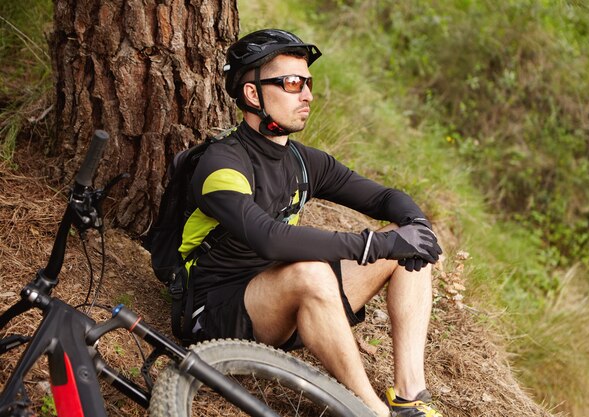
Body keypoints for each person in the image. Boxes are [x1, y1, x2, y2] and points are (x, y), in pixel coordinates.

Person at [180, 28, 443, 417]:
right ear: (253, 94)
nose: (307, 95)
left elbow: (384, 198)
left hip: (284, 301)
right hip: (218, 309)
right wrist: (373, 245)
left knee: (407, 241)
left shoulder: (304, 161)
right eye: (291, 83)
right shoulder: (222, 164)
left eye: (307, 82)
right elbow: (269, 239)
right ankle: (371, 412)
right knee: (312, 272)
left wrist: (417, 226)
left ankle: (409, 397)